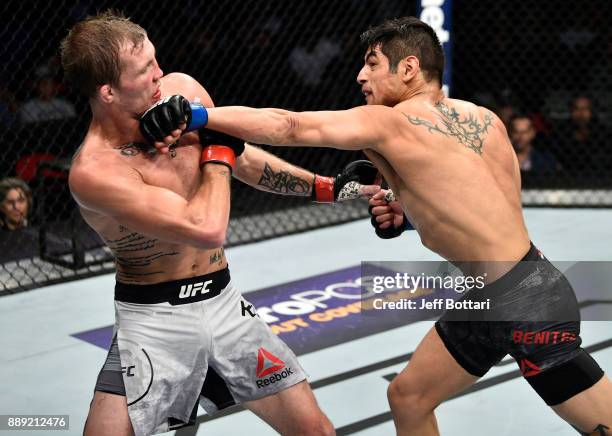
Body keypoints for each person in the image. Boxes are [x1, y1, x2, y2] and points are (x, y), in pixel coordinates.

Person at [150, 16, 612, 436]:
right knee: (408, 398)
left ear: (409, 67)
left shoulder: (389, 124)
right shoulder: (484, 119)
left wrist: (196, 115)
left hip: (523, 305)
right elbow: (487, 210)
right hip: (512, 287)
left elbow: (290, 126)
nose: (361, 76)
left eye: (372, 64)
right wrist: (409, 216)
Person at [61, 11, 378, 436]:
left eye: (156, 60)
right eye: (143, 71)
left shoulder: (181, 90)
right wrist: (217, 148)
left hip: (223, 301)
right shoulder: (95, 171)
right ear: (108, 92)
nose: (159, 74)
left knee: (316, 431)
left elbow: (242, 159)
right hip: (155, 318)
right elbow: (206, 223)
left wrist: (327, 188)